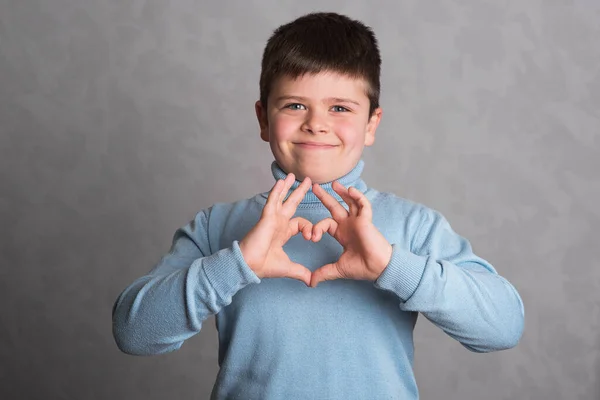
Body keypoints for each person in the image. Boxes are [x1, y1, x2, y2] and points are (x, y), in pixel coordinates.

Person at [112, 12, 524, 399]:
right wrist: (235, 265)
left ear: (371, 125)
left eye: (340, 108)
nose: (316, 123)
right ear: (263, 119)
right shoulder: (216, 226)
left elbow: (502, 327)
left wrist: (390, 265)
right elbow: (134, 333)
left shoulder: (414, 226)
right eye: (294, 105)